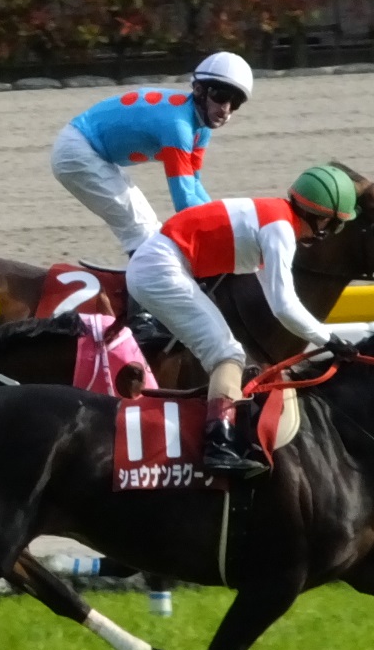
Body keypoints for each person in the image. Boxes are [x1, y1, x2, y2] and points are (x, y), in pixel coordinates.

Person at [125, 164, 361, 477]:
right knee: (227, 354)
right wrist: (330, 340)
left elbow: (276, 298)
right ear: (322, 219)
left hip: (158, 265)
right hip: (162, 269)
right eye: (335, 224)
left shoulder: (273, 216)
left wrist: (325, 338)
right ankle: (219, 445)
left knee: (229, 351)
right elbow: (285, 307)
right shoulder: (280, 229)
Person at [51, 51, 253, 258]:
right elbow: (184, 201)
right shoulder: (178, 126)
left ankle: (148, 272)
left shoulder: (201, 130)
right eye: (220, 96)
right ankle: (146, 276)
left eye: (235, 102)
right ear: (198, 90)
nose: (226, 109)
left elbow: (194, 183)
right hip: (76, 152)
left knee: (152, 230)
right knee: (142, 231)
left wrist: (220, 221)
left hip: (90, 151)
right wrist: (222, 233)